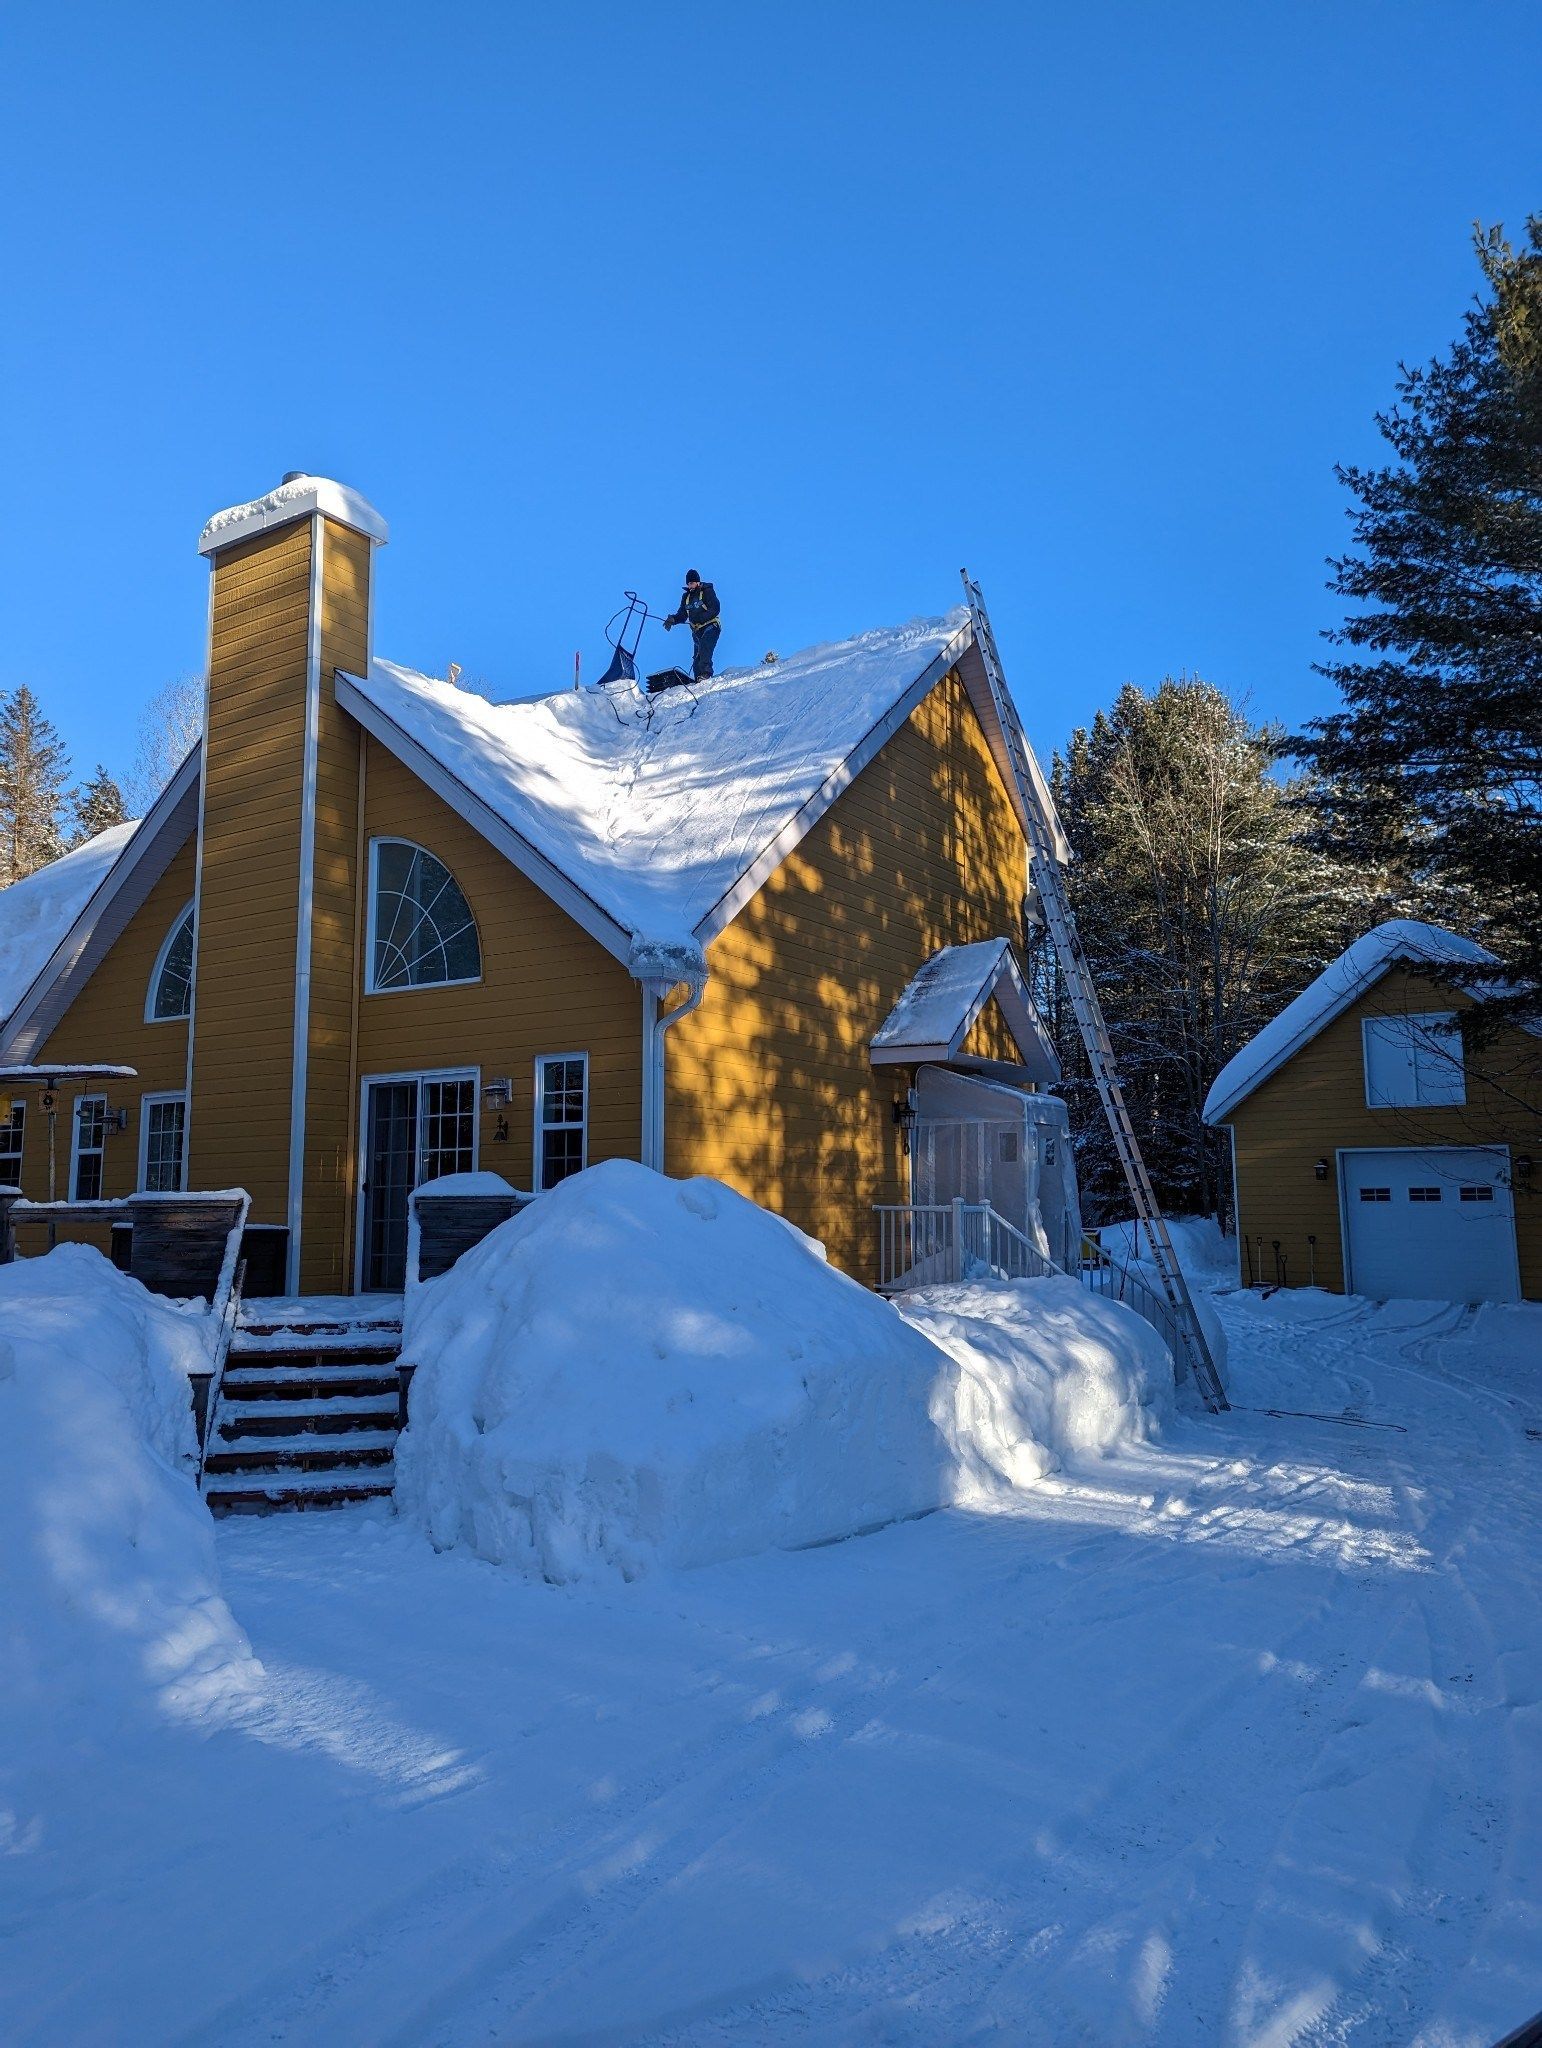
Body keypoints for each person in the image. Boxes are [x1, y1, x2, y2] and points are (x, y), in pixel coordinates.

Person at [664, 570, 721, 681]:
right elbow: (682, 614)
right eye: (689, 583)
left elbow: (715, 608)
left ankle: (706, 674)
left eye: (692, 583)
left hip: (711, 626)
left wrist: (700, 618)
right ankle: (698, 679)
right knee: (697, 657)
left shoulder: (707, 591)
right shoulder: (686, 597)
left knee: (705, 647)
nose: (690, 585)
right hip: (697, 631)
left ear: (698, 582)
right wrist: (673, 619)